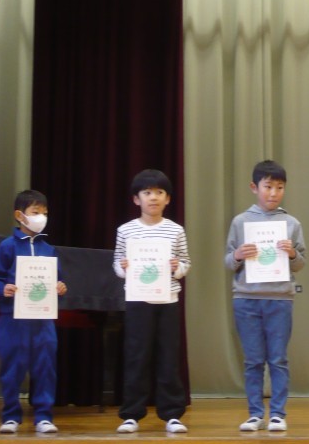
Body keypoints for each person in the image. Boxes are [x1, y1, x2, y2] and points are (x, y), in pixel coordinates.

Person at [225, 160, 306, 432]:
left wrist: (292, 253)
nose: (273, 193)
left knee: (278, 359)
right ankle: (255, 414)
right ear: (254, 187)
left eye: (279, 187)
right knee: (253, 360)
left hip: (280, 299)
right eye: (268, 186)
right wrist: (238, 255)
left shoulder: (291, 223)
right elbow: (228, 261)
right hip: (246, 299)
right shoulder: (240, 222)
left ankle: (278, 414)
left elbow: (301, 263)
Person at [113, 169, 191, 434]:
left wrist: (177, 267)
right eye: (147, 193)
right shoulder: (126, 230)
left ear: (167, 199)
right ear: (137, 199)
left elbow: (186, 263)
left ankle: (172, 414)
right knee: (137, 356)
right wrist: (123, 267)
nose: (153, 198)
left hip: (168, 299)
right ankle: (131, 414)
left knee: (168, 356)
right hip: (137, 300)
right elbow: (117, 263)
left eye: (159, 192)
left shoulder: (175, 230)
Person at [0, 190, 67, 434]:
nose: (41, 217)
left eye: (45, 213)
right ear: (19, 215)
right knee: (12, 368)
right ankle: (11, 416)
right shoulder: (7, 246)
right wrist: (2, 289)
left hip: (43, 320)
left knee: (45, 367)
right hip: (12, 319)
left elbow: (57, 281)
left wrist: (59, 288)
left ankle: (43, 416)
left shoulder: (49, 249)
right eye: (35, 212)